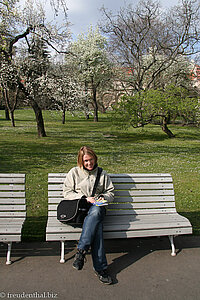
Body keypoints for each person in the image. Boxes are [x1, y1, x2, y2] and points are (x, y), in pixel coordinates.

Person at [63, 146, 114, 285]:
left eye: (91, 160)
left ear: (95, 158)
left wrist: (101, 198)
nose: (89, 163)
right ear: (81, 161)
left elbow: (110, 193)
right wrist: (85, 198)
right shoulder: (74, 172)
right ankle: (101, 269)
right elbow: (67, 193)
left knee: (96, 211)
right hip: (80, 211)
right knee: (96, 227)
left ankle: (81, 251)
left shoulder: (102, 174)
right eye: (86, 161)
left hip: (98, 207)